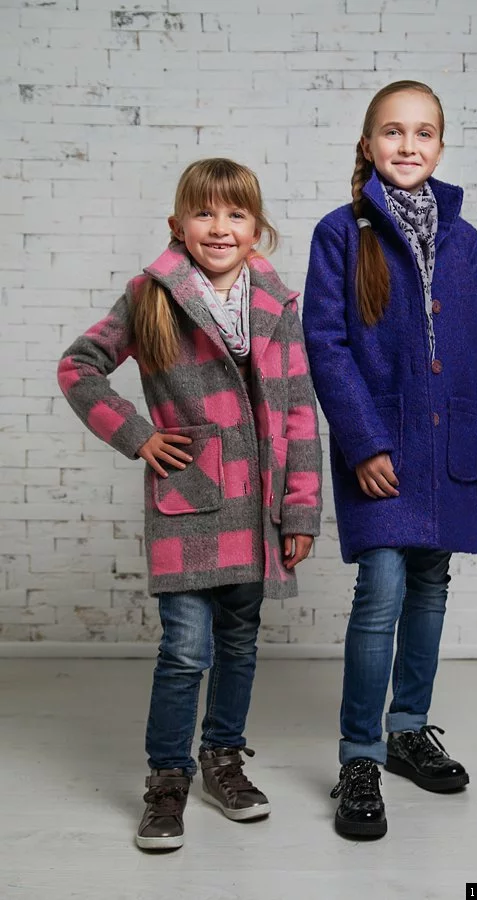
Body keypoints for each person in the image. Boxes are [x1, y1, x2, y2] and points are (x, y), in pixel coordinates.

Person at [57, 158, 322, 850]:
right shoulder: (151, 295)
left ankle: (223, 760)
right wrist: (138, 435)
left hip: (258, 510)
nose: (220, 227)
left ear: (256, 229)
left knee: (238, 644)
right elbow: (78, 366)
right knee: (183, 650)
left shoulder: (278, 304)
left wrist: (300, 511)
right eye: (204, 213)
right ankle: (167, 778)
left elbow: (299, 414)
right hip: (190, 501)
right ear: (178, 225)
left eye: (236, 214)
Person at [302, 81, 477, 839]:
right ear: (367, 145)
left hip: (451, 441)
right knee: (383, 589)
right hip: (385, 445)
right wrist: (363, 443)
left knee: (431, 585)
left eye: (423, 132)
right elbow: (326, 344)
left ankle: (408, 729)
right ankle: (360, 755)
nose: (407, 144)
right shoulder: (339, 233)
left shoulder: (464, 240)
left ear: (440, 146)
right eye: (392, 131)